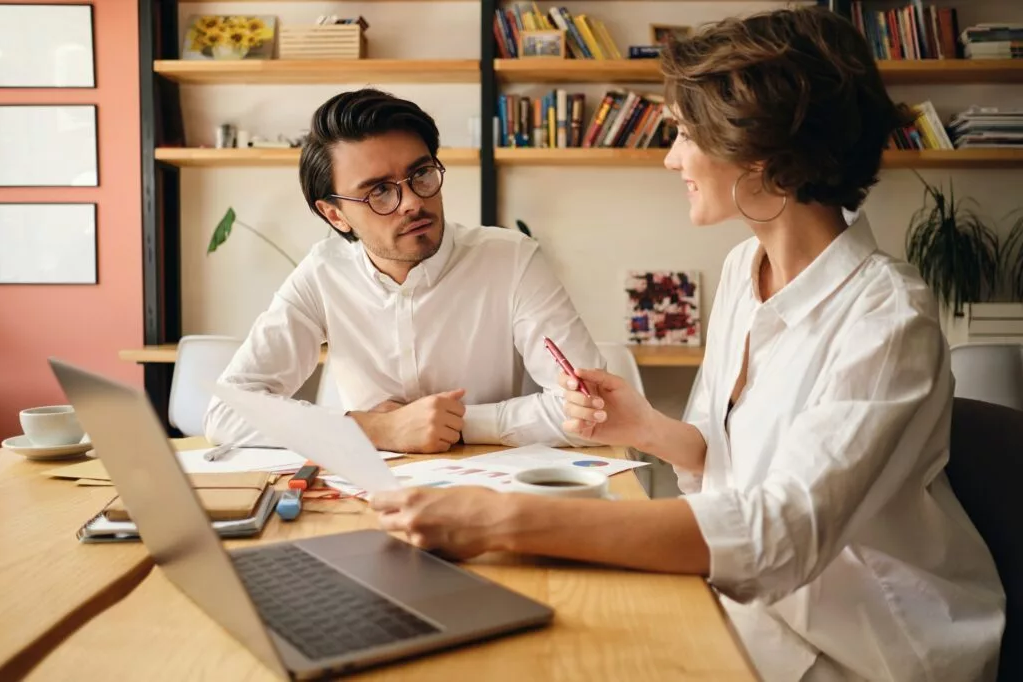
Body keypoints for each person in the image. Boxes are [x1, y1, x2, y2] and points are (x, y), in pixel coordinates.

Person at [370, 8, 1005, 681]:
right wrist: (643, 427)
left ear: (760, 147)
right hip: (753, 613)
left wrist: (502, 522)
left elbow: (777, 534)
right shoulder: (743, 269)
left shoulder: (887, 320)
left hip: (865, 648)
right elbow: (725, 462)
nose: (671, 156)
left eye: (682, 131)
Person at [205, 88, 604, 453]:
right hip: (368, 498)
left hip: (489, 495)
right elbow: (227, 413)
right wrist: (377, 430)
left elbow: (592, 409)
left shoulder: (512, 260)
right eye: (378, 190)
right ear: (335, 215)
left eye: (421, 174)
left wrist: (459, 423)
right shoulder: (322, 275)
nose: (412, 201)